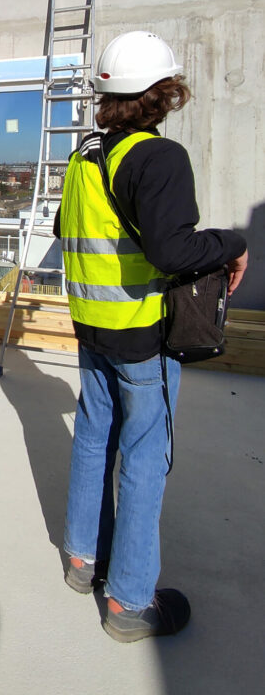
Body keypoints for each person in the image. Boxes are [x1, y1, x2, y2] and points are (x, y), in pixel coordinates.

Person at [56, 31, 248, 643]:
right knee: (144, 460)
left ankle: (83, 562)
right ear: (162, 93)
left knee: (93, 439)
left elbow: (68, 231)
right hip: (141, 332)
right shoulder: (158, 158)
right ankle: (130, 603)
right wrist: (232, 243)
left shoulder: (86, 158)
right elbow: (172, 250)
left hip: (93, 327)